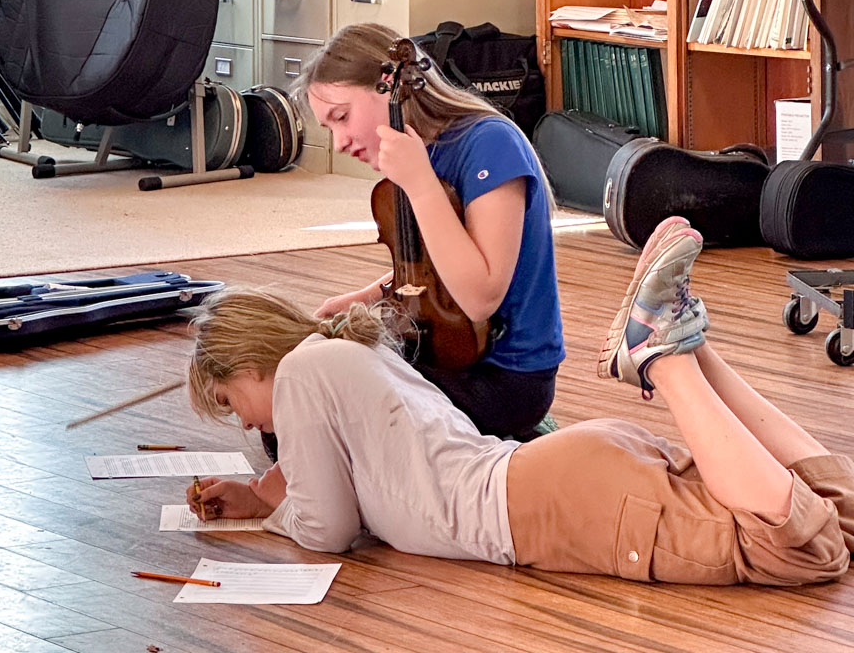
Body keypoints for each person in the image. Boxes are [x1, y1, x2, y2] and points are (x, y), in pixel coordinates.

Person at [185, 218, 854, 586]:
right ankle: (687, 343)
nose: (244, 418)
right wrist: (264, 493)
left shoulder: (301, 373)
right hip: (569, 474)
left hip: (561, 500)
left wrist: (274, 512)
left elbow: (327, 529)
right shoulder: (351, 350)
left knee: (802, 547)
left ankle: (669, 358)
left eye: (229, 397)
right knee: (840, 519)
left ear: (249, 363)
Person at [291, 21, 564, 444]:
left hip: (503, 380)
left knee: (317, 417)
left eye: (341, 117)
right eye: (330, 129)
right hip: (441, 356)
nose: (340, 141)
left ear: (388, 87)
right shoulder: (419, 156)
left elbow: (479, 297)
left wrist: (421, 184)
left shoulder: (490, 144)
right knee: (299, 398)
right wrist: (364, 298)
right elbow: (431, 273)